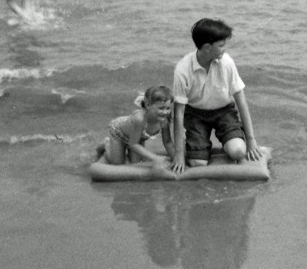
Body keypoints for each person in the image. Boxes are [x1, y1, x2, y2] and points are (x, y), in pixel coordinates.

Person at [171, 18, 261, 173]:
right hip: (195, 115)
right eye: (221, 45)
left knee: (238, 151)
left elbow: (241, 101)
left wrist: (251, 140)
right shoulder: (182, 69)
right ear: (207, 47)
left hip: (224, 112)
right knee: (197, 163)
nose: (224, 49)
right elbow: (178, 113)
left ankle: (229, 141)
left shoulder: (226, 62)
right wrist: (179, 154)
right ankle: (200, 149)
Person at [102, 86, 176, 166]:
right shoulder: (140, 119)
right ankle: (107, 143)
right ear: (148, 105)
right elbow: (133, 144)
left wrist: (176, 160)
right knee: (118, 164)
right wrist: (155, 157)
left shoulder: (164, 120)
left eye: (168, 108)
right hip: (119, 133)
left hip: (137, 138)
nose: (165, 112)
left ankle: (120, 151)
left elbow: (168, 142)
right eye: (161, 108)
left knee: (137, 163)